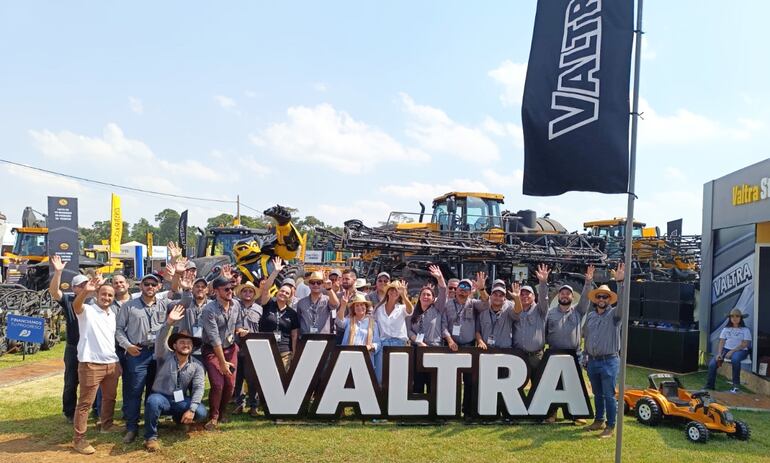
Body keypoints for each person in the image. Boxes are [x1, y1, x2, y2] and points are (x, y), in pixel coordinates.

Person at [115, 273, 175, 443]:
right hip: (137, 352)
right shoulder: (129, 306)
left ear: (158, 287)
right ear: (140, 286)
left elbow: (183, 302)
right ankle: (132, 427)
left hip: (158, 352)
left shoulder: (164, 304)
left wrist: (178, 277)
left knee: (154, 391)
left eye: (153, 284)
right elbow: (119, 330)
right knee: (134, 391)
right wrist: (128, 346)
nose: (150, 287)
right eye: (146, 284)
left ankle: (151, 427)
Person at [143, 305, 208, 452]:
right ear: (174, 345)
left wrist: (191, 409)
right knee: (153, 401)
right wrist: (169, 323)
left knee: (201, 411)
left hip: (180, 400)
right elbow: (160, 340)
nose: (186, 345)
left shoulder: (197, 365)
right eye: (182, 342)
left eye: (189, 343)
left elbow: (199, 388)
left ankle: (180, 419)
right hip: (162, 397)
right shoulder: (164, 355)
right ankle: (151, 437)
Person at [71, 276, 122, 455]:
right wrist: (86, 290)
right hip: (91, 363)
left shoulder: (112, 315)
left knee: (109, 398)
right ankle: (79, 439)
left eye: (110, 295)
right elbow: (76, 306)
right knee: (85, 403)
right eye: (103, 294)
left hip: (111, 363)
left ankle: (106, 425)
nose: (106, 298)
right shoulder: (87, 310)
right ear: (97, 295)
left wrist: (116, 362)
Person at [431, 267, 487, 416]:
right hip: (451, 347)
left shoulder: (473, 304)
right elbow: (443, 325)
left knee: (469, 381)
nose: (463, 290)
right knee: (449, 381)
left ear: (470, 291)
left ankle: (467, 411)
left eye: (466, 288)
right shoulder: (447, 305)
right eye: (460, 287)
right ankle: (448, 410)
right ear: (456, 290)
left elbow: (487, 304)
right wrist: (449, 340)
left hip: (468, 347)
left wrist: (481, 289)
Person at [543, 265, 594, 424]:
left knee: (574, 385)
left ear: (572, 297)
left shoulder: (578, 311)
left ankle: (576, 414)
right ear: (559, 296)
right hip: (554, 354)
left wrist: (588, 282)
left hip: (574, 354)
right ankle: (551, 414)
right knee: (554, 385)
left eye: (568, 294)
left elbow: (586, 298)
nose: (565, 296)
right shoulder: (550, 314)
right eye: (562, 293)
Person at [583, 263, 625, 439]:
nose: (601, 299)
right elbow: (587, 337)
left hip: (609, 361)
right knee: (597, 393)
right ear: (595, 298)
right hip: (593, 361)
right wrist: (585, 355)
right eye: (599, 296)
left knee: (609, 394)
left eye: (605, 297)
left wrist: (621, 283)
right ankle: (598, 420)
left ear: (609, 299)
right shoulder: (591, 316)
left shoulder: (615, 315)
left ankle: (610, 425)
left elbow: (623, 304)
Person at [201, 276, 248, 429]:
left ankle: (222, 413)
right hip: (213, 350)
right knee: (217, 383)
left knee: (230, 384)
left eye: (232, 288)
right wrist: (222, 362)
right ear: (215, 291)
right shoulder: (209, 310)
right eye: (226, 289)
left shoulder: (236, 305)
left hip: (231, 348)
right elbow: (214, 339)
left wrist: (240, 330)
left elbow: (239, 322)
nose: (230, 292)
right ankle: (213, 416)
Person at [48, 255, 89, 424]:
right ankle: (69, 412)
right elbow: (54, 292)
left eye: (87, 284)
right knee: (71, 381)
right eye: (82, 286)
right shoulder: (68, 300)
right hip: (73, 348)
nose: (86, 287)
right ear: (74, 289)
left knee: (91, 382)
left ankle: (91, 410)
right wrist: (58, 273)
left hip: (91, 348)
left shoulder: (96, 301)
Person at [407, 285, 453, 394]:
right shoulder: (413, 312)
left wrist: (439, 278)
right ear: (419, 297)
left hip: (434, 349)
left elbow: (442, 291)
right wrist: (419, 342)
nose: (425, 297)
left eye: (429, 295)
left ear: (433, 298)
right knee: (418, 382)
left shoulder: (437, 309)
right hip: (418, 350)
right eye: (423, 294)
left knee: (433, 383)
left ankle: (433, 410)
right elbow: (409, 331)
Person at [372, 281, 414, 383]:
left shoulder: (401, 308)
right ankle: (379, 397)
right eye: (392, 289)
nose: (394, 292)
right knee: (379, 375)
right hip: (383, 344)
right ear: (387, 292)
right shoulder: (379, 309)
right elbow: (374, 325)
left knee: (398, 375)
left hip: (399, 344)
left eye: (397, 290)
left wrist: (404, 295)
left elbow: (410, 310)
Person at [512, 264, 551, 373]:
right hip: (518, 355)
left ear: (534, 296)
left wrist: (543, 282)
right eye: (522, 294)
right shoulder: (515, 309)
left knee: (537, 385)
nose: (524, 296)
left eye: (528, 294)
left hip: (536, 357)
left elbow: (544, 298)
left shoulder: (540, 310)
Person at [233, 280, 263, 416]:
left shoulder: (259, 309)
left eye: (250, 291)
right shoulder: (235, 307)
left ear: (254, 294)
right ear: (240, 293)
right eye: (245, 291)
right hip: (237, 346)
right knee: (238, 377)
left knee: (252, 378)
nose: (247, 293)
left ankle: (253, 405)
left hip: (253, 347)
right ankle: (239, 404)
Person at [705, 308, 752, 393]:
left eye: (737, 316)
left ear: (741, 318)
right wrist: (719, 353)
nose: (734, 318)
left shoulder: (745, 330)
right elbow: (722, 341)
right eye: (732, 316)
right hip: (726, 349)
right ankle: (709, 386)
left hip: (741, 350)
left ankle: (736, 387)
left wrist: (732, 351)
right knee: (713, 363)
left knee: (735, 359)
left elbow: (745, 344)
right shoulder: (726, 329)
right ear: (730, 318)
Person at [259, 282, 300, 370]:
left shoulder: (292, 313)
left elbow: (294, 335)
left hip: (284, 352)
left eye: (287, 293)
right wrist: (275, 272)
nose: (283, 294)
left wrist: (294, 352)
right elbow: (265, 289)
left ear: (289, 297)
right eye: (282, 291)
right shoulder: (268, 304)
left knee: (282, 380)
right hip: (266, 349)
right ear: (277, 292)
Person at [336, 293, 381, 368]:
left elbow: (378, 343)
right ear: (353, 309)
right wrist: (343, 305)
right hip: (349, 358)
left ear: (366, 307)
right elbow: (339, 321)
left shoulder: (373, 323)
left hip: (366, 358)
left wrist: (370, 347)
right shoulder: (349, 321)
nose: (360, 307)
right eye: (357, 305)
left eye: (362, 305)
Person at [475, 284, 520, 351]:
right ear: (490, 296)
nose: (497, 298)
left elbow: (518, 311)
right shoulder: (483, 310)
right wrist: (480, 341)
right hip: (485, 350)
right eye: (495, 294)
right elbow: (477, 330)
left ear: (504, 298)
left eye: (501, 296)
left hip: (504, 351)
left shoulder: (509, 310)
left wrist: (517, 298)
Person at [296, 271, 340, 336]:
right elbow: (299, 321)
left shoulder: (327, 299)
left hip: (323, 338)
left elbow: (336, 305)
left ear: (323, 284)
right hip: (305, 339)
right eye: (312, 283)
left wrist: (329, 289)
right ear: (309, 284)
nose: (315, 285)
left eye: (319, 283)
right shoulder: (301, 303)